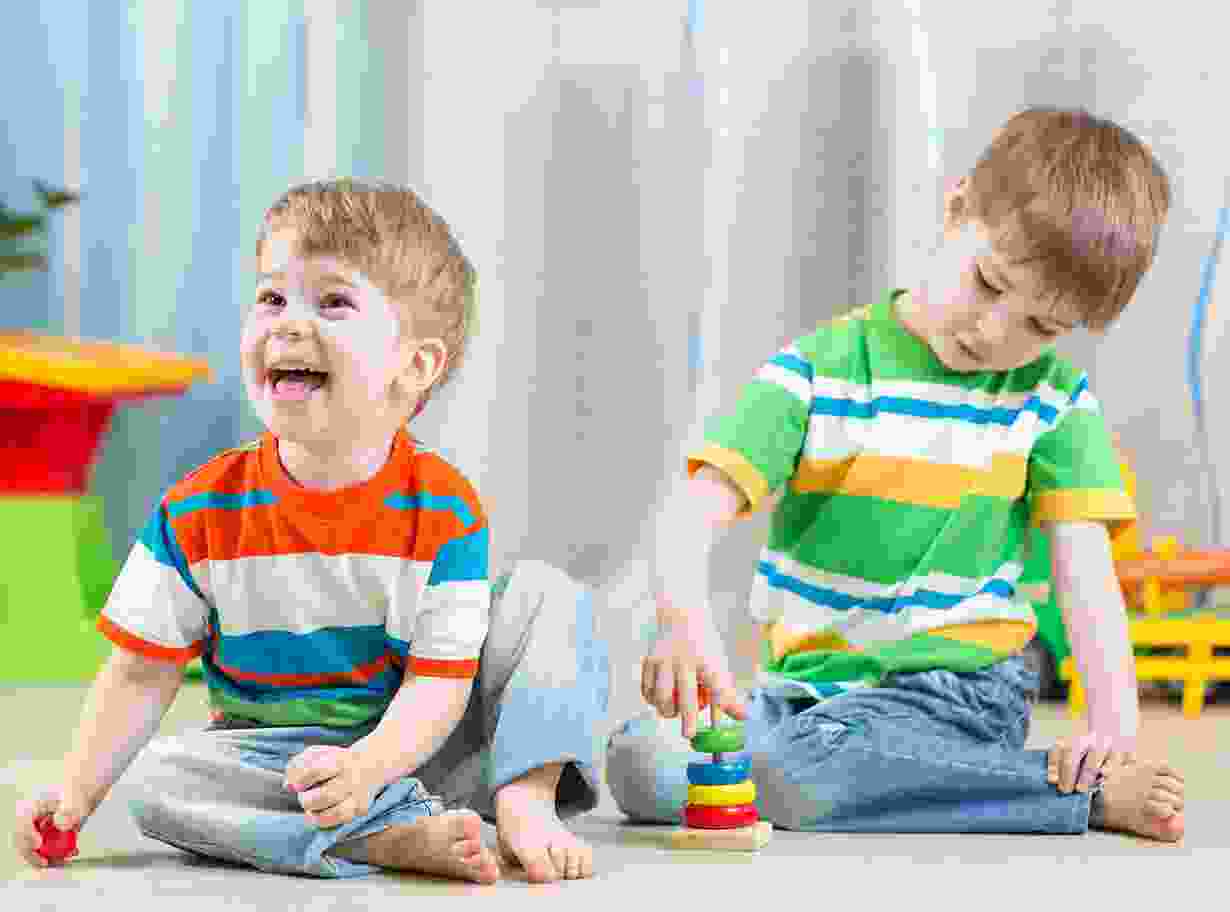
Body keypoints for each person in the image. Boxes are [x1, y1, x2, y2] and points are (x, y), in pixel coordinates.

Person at [607, 107, 1185, 840]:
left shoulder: (1054, 402)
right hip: (803, 697)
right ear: (957, 209)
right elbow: (691, 513)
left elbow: (1086, 576)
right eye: (988, 282)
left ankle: (1065, 794)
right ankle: (843, 780)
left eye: (1041, 326)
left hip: (956, 694)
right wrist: (680, 620)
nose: (994, 332)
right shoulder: (817, 369)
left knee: (796, 772)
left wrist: (1112, 731)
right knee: (638, 759)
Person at [13, 179, 608, 882]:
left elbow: (438, 687)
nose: (288, 325)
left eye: (332, 303)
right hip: (274, 766)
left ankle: (523, 796)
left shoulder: (445, 510)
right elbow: (140, 672)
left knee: (545, 594)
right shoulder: (197, 511)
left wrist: (368, 767)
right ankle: (375, 837)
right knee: (156, 781)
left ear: (414, 365)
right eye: (272, 298)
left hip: (423, 747)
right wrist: (76, 794)